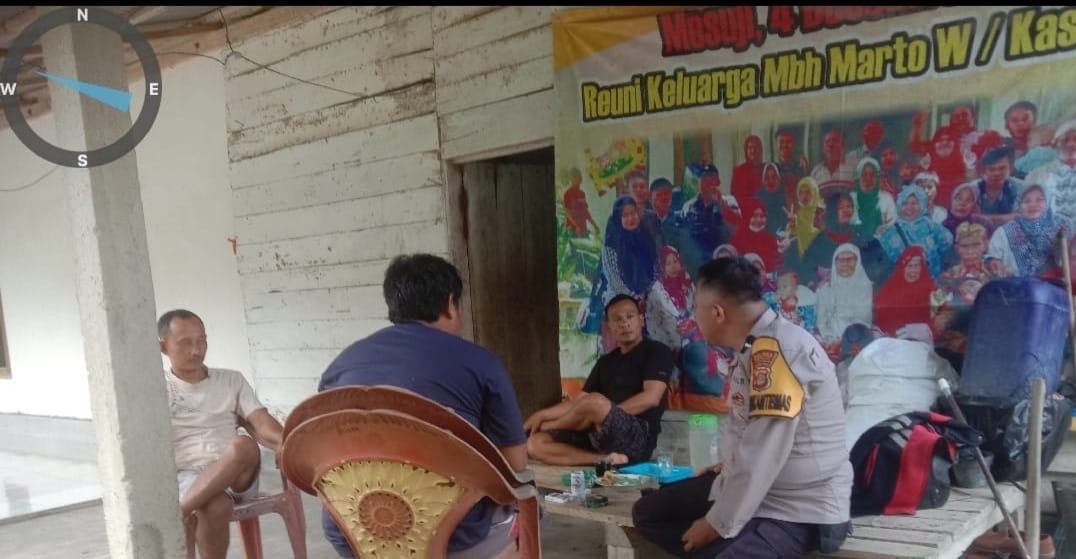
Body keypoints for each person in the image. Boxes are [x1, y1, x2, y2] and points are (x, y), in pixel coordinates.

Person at [632, 257, 852, 558]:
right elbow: (749, 432)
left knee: (718, 543)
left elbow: (763, 451)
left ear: (717, 313)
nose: (695, 316)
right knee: (649, 513)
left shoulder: (776, 352)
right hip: (760, 490)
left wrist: (716, 524)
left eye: (697, 308)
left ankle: (730, 540)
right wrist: (729, 463)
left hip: (799, 508)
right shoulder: (755, 344)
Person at [317, 254, 527, 558]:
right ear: (450, 303)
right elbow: (514, 466)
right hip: (452, 536)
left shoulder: (342, 364)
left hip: (354, 530)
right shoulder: (481, 363)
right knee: (529, 511)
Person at [159, 309, 283, 559]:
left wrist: (284, 442)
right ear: (163, 347)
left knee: (242, 445)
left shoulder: (231, 380)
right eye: (185, 343)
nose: (196, 350)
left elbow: (260, 420)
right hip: (186, 476)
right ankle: (187, 507)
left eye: (201, 340)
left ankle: (179, 512)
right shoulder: (156, 386)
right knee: (216, 507)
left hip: (236, 476)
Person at [526, 294, 673, 466]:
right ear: (609, 327)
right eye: (617, 319)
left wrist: (606, 414)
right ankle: (605, 460)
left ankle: (551, 425)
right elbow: (579, 403)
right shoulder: (605, 362)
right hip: (598, 432)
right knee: (535, 444)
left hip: (638, 435)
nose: (625, 323)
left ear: (641, 320)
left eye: (630, 316)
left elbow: (651, 398)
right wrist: (541, 415)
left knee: (595, 403)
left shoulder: (657, 351)